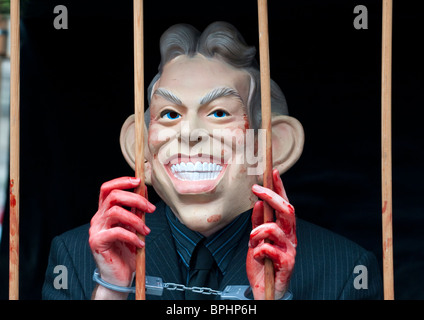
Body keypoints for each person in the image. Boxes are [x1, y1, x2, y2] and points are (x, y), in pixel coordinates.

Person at [42, 22, 383, 300]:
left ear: (273, 146)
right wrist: (111, 291)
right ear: (141, 148)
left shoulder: (345, 270)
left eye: (219, 112)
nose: (189, 132)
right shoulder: (75, 258)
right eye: (170, 114)